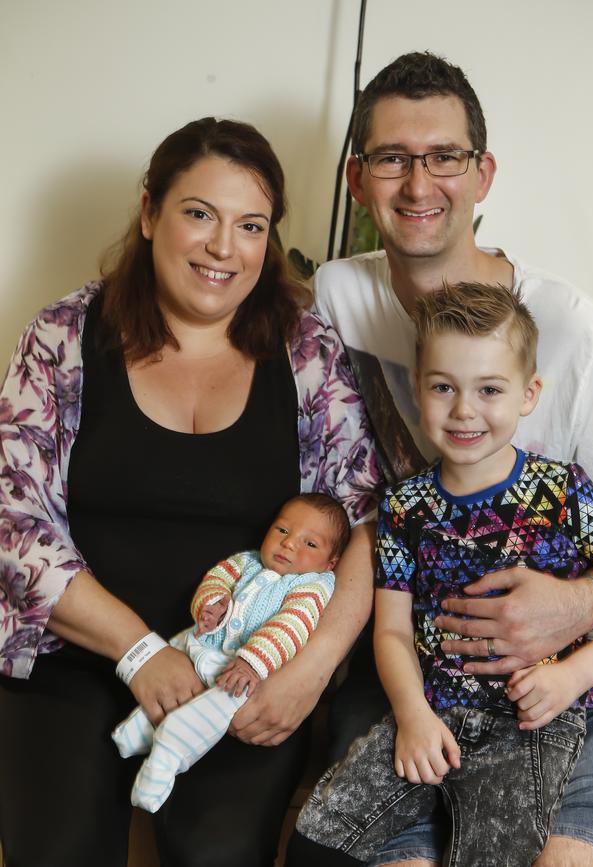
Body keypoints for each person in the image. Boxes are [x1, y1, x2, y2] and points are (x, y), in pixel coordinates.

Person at [0, 117, 382, 867]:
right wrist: (139, 650)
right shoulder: (63, 336)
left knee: (216, 854)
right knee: (59, 851)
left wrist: (307, 671)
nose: (222, 247)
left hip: (243, 667)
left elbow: (366, 517)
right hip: (74, 660)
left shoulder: (305, 349)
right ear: (149, 214)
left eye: (250, 225)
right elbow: (12, 516)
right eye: (199, 214)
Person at [310, 52, 593, 866]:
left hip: (563, 683)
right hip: (424, 681)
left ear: (483, 172)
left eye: (445, 158)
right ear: (358, 180)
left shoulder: (569, 327)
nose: (418, 184)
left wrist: (578, 606)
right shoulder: (333, 299)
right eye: (393, 158)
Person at [289, 283, 593, 867]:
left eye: (489, 390)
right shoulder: (404, 508)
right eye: (443, 388)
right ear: (417, 387)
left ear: (529, 394)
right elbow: (392, 633)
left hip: (530, 723)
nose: (464, 410)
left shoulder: (564, 492)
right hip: (433, 713)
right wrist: (411, 716)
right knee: (317, 839)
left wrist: (570, 679)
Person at [113, 493, 348, 813]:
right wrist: (211, 604)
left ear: (330, 562)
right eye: (282, 531)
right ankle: (141, 728)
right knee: (174, 654)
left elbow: (293, 624)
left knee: (215, 706)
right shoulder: (247, 561)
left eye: (310, 544)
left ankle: (168, 757)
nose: (290, 544)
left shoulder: (313, 585)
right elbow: (216, 579)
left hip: (251, 671)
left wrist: (252, 662)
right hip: (204, 646)